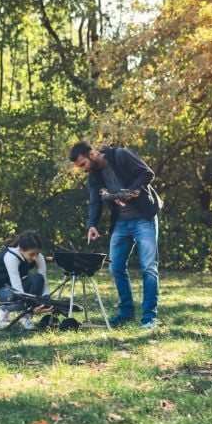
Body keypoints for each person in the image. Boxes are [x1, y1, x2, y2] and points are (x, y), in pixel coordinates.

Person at [69, 141, 162, 329]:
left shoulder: (121, 155)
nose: (83, 170)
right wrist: (91, 225)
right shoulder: (94, 177)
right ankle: (126, 312)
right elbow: (95, 202)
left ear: (92, 154)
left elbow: (147, 173)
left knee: (148, 268)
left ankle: (149, 317)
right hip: (121, 223)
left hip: (143, 219)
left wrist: (131, 191)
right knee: (116, 268)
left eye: (83, 165)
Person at [0, 230, 50, 330]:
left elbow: (42, 278)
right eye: (31, 254)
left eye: (37, 254)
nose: (35, 257)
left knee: (38, 278)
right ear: (21, 250)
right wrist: (33, 305)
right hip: (3, 290)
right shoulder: (10, 256)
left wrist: (46, 299)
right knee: (29, 301)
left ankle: (26, 317)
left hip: (18, 285)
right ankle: (5, 309)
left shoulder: (38, 256)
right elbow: (16, 286)